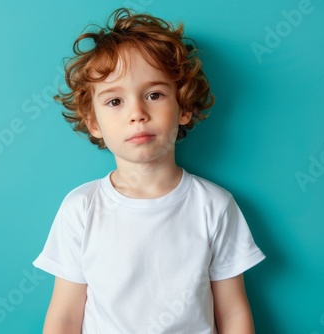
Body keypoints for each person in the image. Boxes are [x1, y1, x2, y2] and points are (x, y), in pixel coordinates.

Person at [33, 8, 265, 334]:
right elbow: (64, 317)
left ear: (183, 107)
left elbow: (233, 312)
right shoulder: (81, 208)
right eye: (115, 101)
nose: (137, 113)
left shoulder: (214, 205)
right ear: (94, 123)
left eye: (154, 95)